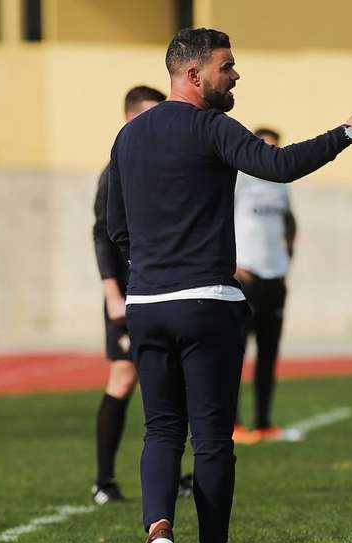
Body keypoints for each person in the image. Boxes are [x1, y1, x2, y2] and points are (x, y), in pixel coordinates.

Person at [107, 27, 352, 543]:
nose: (235, 76)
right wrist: (347, 133)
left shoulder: (127, 138)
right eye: (227, 66)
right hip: (206, 301)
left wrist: (153, 268)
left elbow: (116, 227)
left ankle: (158, 529)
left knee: (161, 428)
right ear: (193, 76)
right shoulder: (211, 126)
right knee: (212, 436)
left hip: (146, 302)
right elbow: (279, 167)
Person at [91, 85, 196, 504]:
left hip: (163, 287)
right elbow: (103, 235)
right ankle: (104, 481)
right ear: (131, 118)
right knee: (123, 375)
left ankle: (180, 473)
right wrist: (113, 295)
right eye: (151, 116)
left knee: (180, 378)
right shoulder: (116, 168)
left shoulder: (166, 167)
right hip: (129, 292)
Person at [232, 127, 299, 444]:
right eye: (266, 148)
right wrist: (232, 265)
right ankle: (232, 423)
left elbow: (289, 220)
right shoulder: (238, 179)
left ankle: (263, 422)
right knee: (233, 355)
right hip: (246, 278)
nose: (271, 155)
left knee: (268, 355)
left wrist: (288, 253)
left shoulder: (281, 184)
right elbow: (217, 219)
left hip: (275, 278)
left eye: (277, 149)